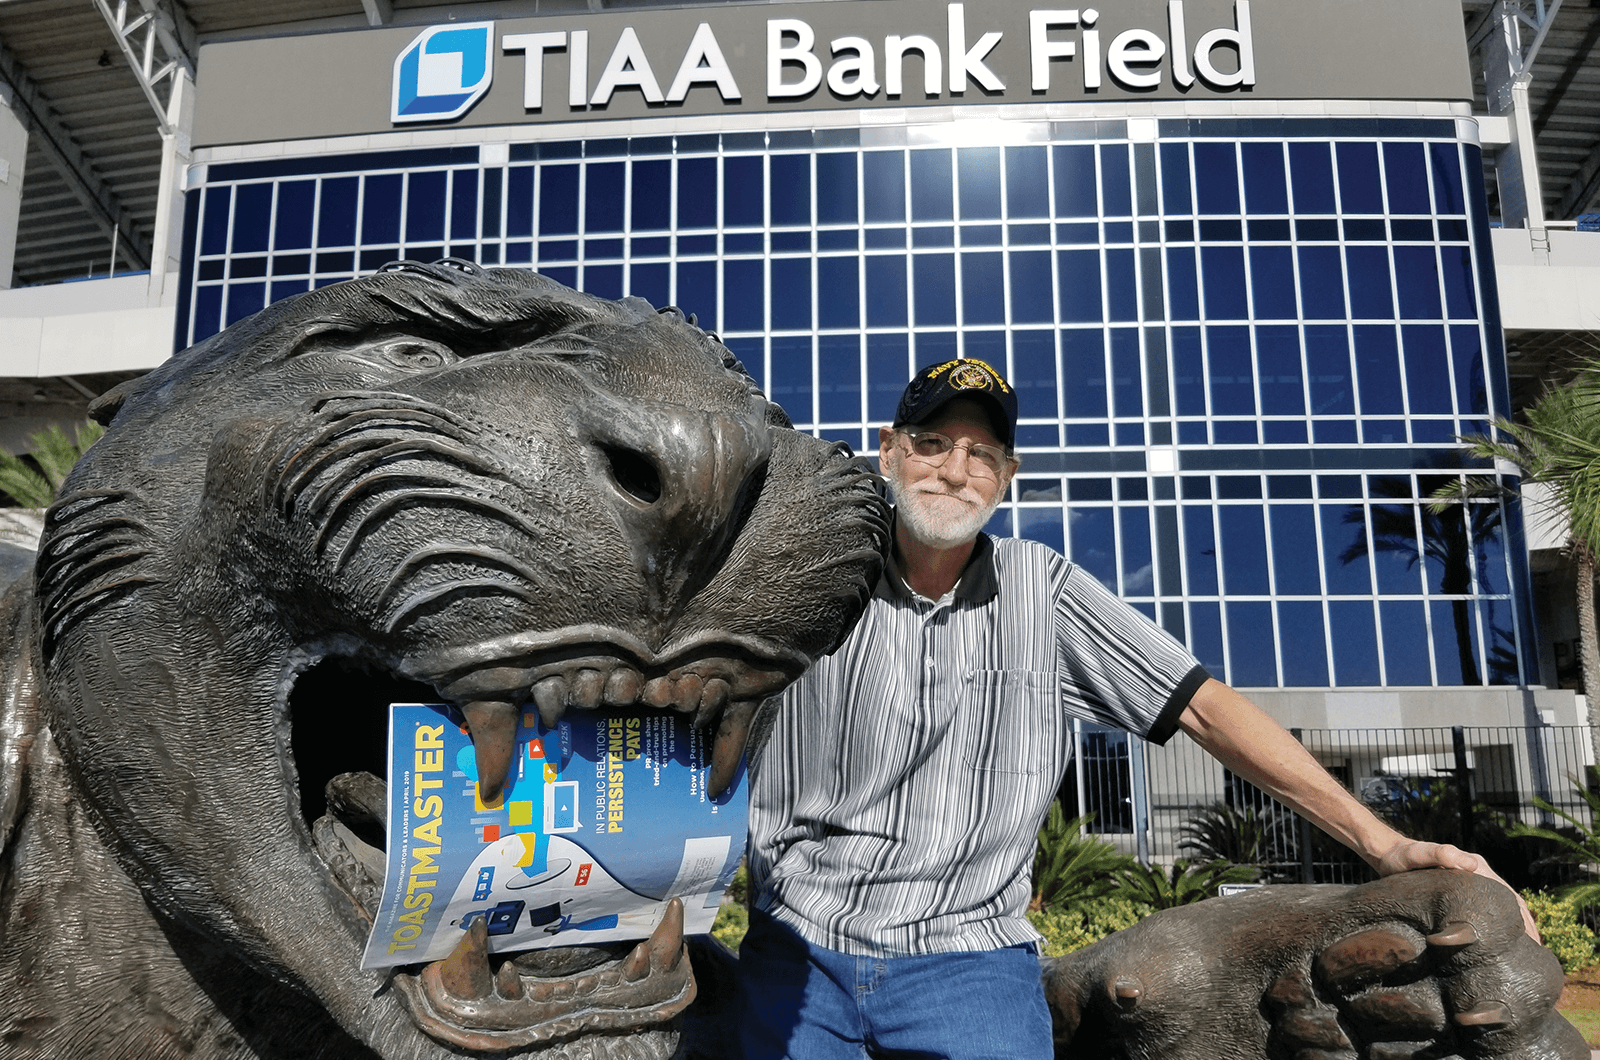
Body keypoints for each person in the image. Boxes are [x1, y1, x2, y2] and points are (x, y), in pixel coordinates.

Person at [738, 357, 1535, 1060]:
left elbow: (1206, 710)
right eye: (933, 443)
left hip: (967, 966)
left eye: (981, 454)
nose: (955, 469)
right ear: (890, 450)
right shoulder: (813, 577)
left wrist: (1383, 844)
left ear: (1006, 477)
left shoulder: (1041, 592)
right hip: (796, 952)